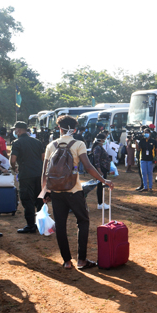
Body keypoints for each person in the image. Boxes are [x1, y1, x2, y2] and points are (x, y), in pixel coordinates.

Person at [42, 115, 114, 270]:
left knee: (60, 225)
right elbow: (88, 167)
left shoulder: (51, 145)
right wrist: (104, 181)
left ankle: (67, 261)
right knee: (83, 221)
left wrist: (44, 192)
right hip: (74, 190)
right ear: (74, 129)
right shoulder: (78, 144)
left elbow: (45, 172)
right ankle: (81, 260)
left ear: (59, 128)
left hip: (55, 191)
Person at [10, 121, 45, 234]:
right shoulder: (37, 142)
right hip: (39, 174)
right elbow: (43, 158)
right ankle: (41, 224)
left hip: (26, 175)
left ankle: (30, 225)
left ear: (19, 130)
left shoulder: (16, 143)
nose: (14, 132)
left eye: (15, 130)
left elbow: (13, 160)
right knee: (40, 199)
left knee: (27, 199)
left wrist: (14, 168)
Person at [91, 133, 112, 208]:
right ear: (101, 140)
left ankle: (101, 203)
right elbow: (97, 161)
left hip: (103, 169)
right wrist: (99, 171)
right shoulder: (97, 148)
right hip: (101, 170)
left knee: (101, 186)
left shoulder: (100, 147)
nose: (105, 141)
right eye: (105, 139)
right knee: (100, 186)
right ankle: (100, 203)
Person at [137, 127, 157, 192]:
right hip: (143, 159)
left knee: (150, 173)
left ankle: (150, 187)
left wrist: (156, 158)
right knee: (144, 173)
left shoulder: (153, 141)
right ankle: (145, 187)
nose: (146, 134)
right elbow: (138, 149)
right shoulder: (142, 141)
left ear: (150, 133)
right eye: (145, 133)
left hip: (150, 159)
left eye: (147, 133)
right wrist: (135, 141)